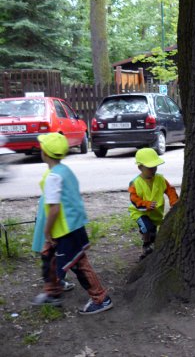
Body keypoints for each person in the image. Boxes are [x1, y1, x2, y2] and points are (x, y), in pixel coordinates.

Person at [31, 133, 113, 315]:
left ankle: (101, 298)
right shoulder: (63, 171)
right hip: (70, 227)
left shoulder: (53, 177)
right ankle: (53, 292)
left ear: (45, 152)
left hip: (66, 231)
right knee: (48, 255)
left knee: (79, 264)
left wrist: (47, 232)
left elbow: (54, 209)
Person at [129, 148, 179, 261]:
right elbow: (134, 198)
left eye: (155, 167)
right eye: (150, 168)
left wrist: (174, 202)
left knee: (153, 231)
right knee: (147, 228)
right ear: (140, 167)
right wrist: (145, 204)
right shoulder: (135, 183)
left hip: (156, 213)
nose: (153, 170)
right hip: (139, 212)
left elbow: (170, 190)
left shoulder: (160, 179)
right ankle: (146, 247)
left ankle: (151, 245)